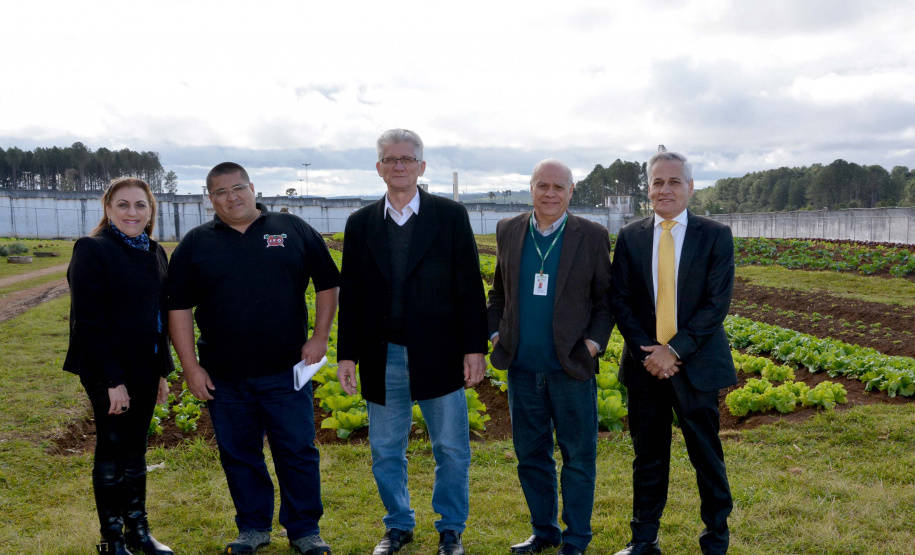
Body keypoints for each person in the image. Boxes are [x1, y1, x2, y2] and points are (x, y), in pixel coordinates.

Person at [167, 162, 340, 555]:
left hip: (286, 370)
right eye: (221, 192)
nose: (232, 197)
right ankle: (253, 527)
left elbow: (328, 282)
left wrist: (319, 337)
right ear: (209, 199)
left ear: (252, 187)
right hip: (224, 377)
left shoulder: (291, 229)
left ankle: (304, 530)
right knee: (239, 454)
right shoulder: (195, 244)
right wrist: (191, 367)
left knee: (297, 451)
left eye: (238, 187)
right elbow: (177, 309)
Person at [336, 129, 488, 555]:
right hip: (382, 355)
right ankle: (398, 525)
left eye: (406, 159)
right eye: (390, 159)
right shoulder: (361, 223)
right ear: (379, 167)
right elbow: (354, 295)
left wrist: (474, 348)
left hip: (439, 353)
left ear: (421, 166)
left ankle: (451, 528)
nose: (398, 165)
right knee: (386, 450)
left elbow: (470, 289)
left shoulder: (450, 216)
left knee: (451, 447)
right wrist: (346, 353)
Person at [609, 150, 736, 555]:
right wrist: (649, 352)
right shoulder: (630, 237)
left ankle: (715, 538)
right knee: (648, 457)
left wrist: (674, 351)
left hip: (695, 365)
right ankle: (643, 539)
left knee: (706, 455)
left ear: (690, 187)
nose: (666, 189)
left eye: (674, 182)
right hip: (646, 365)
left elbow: (716, 304)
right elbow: (621, 300)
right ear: (648, 189)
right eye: (658, 182)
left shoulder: (715, 234)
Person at [486, 159, 613, 555]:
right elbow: (498, 294)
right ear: (531, 188)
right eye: (543, 185)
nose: (551, 193)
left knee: (577, 457)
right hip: (522, 369)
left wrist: (591, 346)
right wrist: (496, 334)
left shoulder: (590, 235)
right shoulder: (509, 230)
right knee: (531, 456)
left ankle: (576, 539)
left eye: (559, 187)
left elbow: (606, 302)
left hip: (570, 368)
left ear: (571, 191)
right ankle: (544, 532)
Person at [64, 177, 175, 555]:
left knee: (136, 449)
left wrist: (162, 370)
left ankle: (138, 532)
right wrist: (113, 379)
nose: (132, 212)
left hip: (145, 367)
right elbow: (88, 322)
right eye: (123, 205)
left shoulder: (156, 252)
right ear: (108, 209)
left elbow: (158, 318)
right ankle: (111, 540)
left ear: (150, 211)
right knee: (112, 447)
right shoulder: (92, 250)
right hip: (105, 368)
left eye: (140, 205)